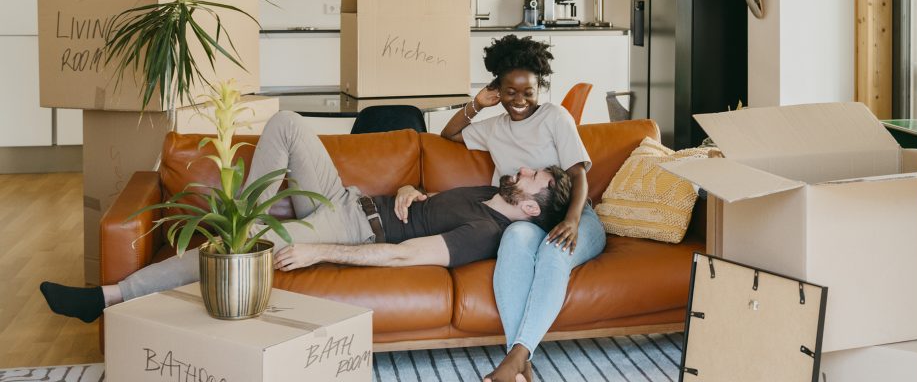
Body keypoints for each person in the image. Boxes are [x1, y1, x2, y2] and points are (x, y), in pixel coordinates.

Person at [41, 110, 571, 324]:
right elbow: (423, 195)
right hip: (345, 196)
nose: (523, 168)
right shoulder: (487, 191)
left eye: (535, 177)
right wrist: (409, 184)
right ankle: (248, 213)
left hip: (349, 229)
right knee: (288, 122)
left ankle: (106, 298)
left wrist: (319, 250)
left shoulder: (487, 233)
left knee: (236, 250)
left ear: (530, 207)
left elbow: (408, 253)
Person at [440, 35, 607, 382]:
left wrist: (574, 221)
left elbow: (578, 175)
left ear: (539, 88)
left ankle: (514, 358)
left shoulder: (555, 117)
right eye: (510, 92)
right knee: (513, 239)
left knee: (554, 252)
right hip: (527, 220)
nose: (519, 101)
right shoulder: (493, 128)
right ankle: (521, 366)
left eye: (528, 92)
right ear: (498, 88)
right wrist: (478, 104)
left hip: (575, 216)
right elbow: (450, 133)